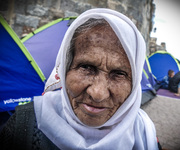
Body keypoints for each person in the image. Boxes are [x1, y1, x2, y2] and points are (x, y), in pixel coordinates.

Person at [0, 8, 160, 150]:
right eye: (86, 67)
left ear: (134, 82)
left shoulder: (144, 133)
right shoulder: (23, 124)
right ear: (65, 69)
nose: (97, 93)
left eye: (118, 73)